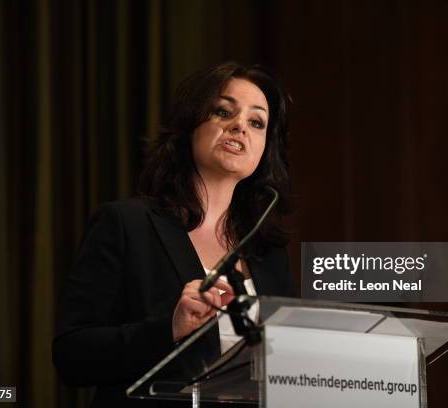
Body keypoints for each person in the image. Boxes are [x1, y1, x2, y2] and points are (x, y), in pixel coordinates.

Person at [52, 61, 296, 407]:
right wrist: (170, 327)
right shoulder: (125, 224)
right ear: (190, 124)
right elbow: (71, 357)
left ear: (263, 150)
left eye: (256, 122)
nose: (240, 125)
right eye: (223, 111)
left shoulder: (267, 252)